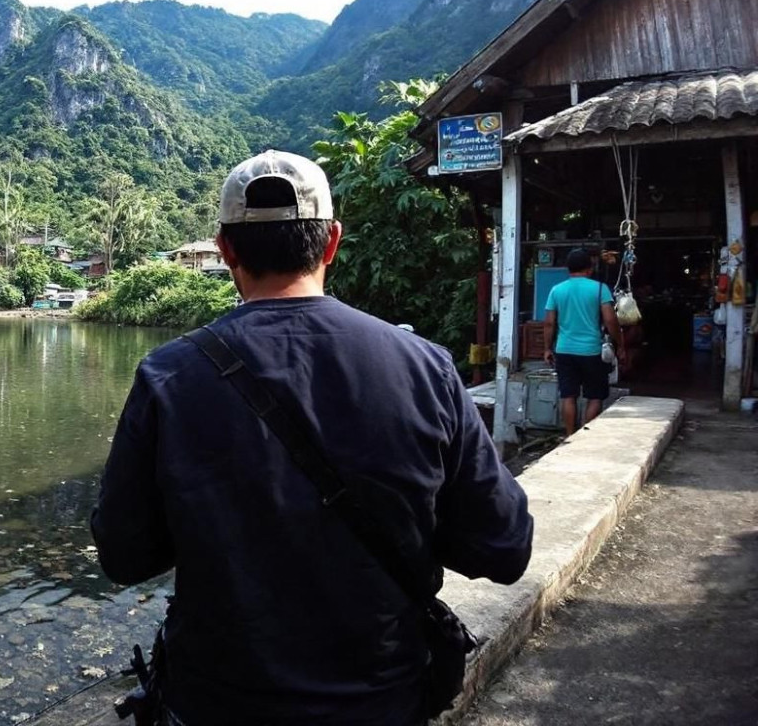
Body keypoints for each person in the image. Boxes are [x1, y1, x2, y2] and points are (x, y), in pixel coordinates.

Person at [91, 150, 534, 725]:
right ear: (332, 242)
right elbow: (503, 547)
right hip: (381, 701)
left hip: (215, 702)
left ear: (225, 250)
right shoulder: (425, 367)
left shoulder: (169, 375)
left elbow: (124, 556)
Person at [543, 248, 624, 436]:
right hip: (592, 352)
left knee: (568, 396)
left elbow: (548, 323)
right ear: (589, 268)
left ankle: (570, 436)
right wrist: (620, 345)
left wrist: (547, 348)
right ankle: (585, 438)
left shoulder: (557, 290)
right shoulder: (599, 289)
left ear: (568, 269)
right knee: (595, 396)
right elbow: (611, 320)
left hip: (564, 351)